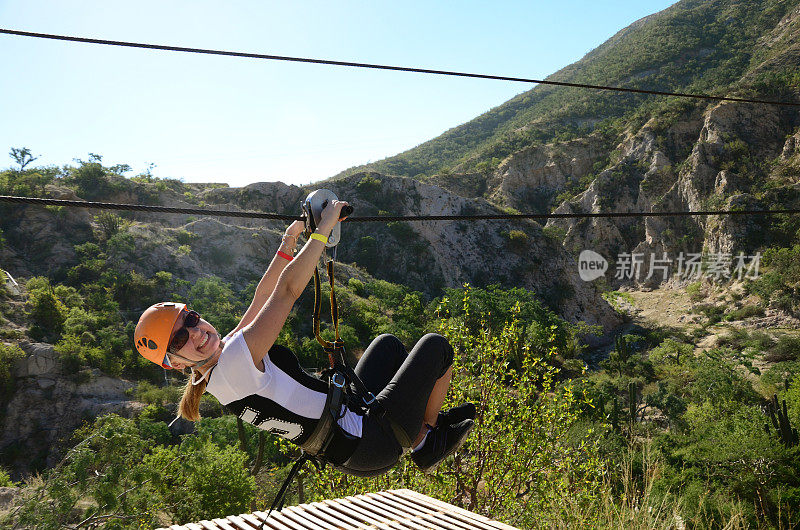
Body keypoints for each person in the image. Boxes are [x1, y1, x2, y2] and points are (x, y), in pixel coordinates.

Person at [134, 199, 475, 476]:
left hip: (349, 438)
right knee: (437, 348)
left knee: (388, 347)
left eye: (191, 319)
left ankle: (419, 430)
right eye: (179, 340)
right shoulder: (235, 361)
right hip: (368, 441)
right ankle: (426, 439)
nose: (195, 332)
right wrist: (324, 229)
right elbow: (285, 292)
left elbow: (261, 298)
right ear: (176, 364)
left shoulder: (221, 368)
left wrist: (289, 240)